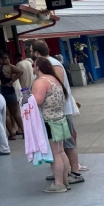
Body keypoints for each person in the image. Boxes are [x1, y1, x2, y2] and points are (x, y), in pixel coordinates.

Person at [31, 41, 86, 180]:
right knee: (58, 147)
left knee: (66, 144)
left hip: (59, 112)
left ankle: (74, 172)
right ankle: (62, 173)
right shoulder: (48, 64)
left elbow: (56, 88)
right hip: (54, 112)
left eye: (31, 51)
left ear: (37, 53)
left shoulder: (52, 64)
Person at [32, 57, 71, 194]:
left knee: (55, 154)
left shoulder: (41, 82)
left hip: (48, 121)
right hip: (60, 119)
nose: (33, 68)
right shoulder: (55, 79)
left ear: (38, 67)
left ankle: (58, 183)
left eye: (33, 65)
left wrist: (25, 97)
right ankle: (65, 180)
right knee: (61, 151)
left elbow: (37, 101)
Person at [0, 51, 25, 137]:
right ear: (1, 59)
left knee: (6, 113)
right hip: (10, 90)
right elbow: (20, 72)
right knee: (15, 112)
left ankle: (11, 133)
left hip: (1, 91)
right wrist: (12, 81)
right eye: (5, 58)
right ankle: (24, 131)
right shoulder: (9, 67)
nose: (7, 59)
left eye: (7, 58)